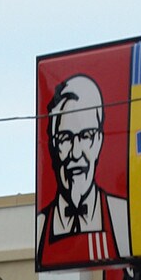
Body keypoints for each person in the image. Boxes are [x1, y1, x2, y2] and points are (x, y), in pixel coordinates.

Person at [37, 74, 131, 267]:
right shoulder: (39, 229)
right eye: (65, 138)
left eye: (86, 136)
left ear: (99, 141)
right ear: (54, 144)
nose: (76, 152)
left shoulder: (123, 217)